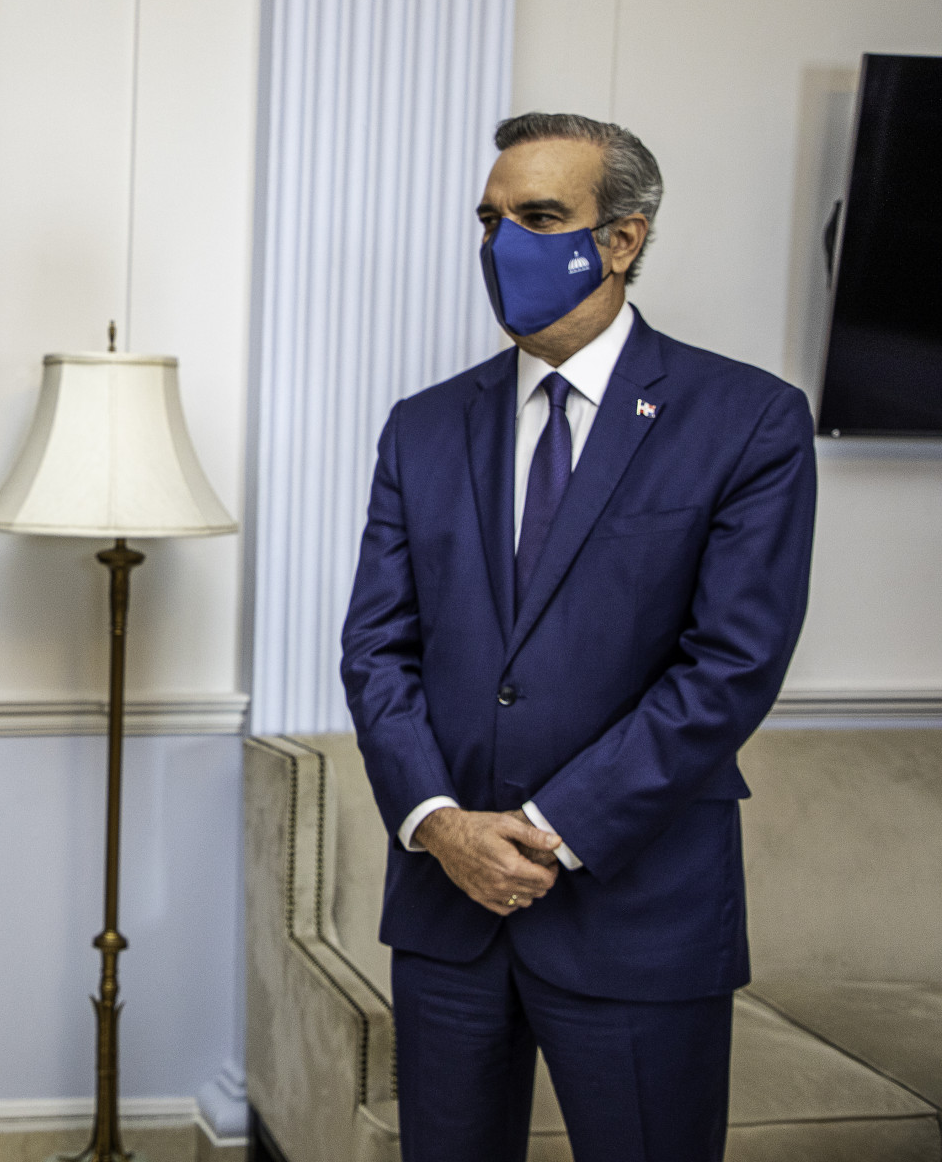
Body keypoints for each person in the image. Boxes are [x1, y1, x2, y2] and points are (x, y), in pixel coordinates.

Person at [340, 113, 817, 1162]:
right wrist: (440, 824)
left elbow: (731, 666)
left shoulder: (748, 419)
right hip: (446, 907)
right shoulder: (423, 426)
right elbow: (376, 650)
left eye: (540, 216)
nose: (504, 242)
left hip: (639, 911)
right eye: (490, 219)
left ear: (622, 238)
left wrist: (548, 828)